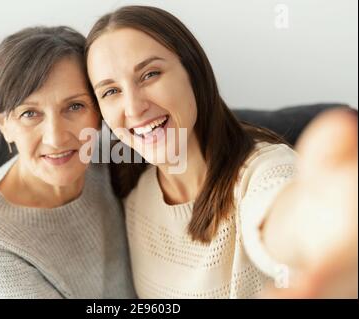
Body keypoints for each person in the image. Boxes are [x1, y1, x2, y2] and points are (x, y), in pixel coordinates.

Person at [85, 5, 358, 298]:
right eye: (111, 91)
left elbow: (283, 215)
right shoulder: (136, 195)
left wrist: (328, 217)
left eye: (150, 74)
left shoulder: (260, 173)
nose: (134, 107)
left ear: (193, 73)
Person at [0, 26, 135, 299]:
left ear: (99, 111)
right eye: (30, 113)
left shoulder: (110, 160)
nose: (56, 139)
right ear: (2, 122)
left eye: (75, 106)